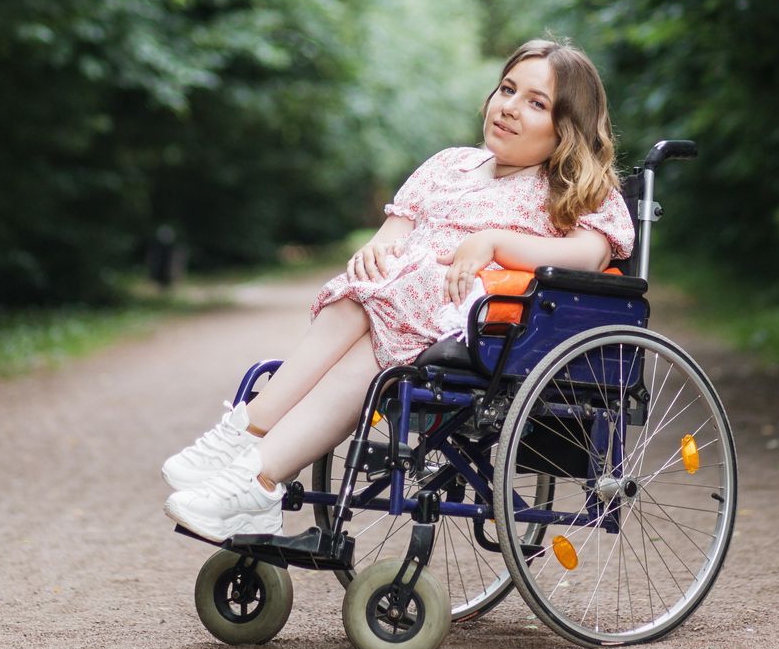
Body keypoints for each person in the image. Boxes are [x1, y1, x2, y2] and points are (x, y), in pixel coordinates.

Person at [161, 37, 636, 541]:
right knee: (365, 297)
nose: (510, 108)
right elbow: (393, 237)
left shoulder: (570, 187)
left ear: (565, 129)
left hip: (477, 321)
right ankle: (253, 471)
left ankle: (246, 443)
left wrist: (494, 243)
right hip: (397, 308)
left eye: (536, 103)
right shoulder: (448, 165)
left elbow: (589, 256)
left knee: (375, 314)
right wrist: (374, 253)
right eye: (507, 89)